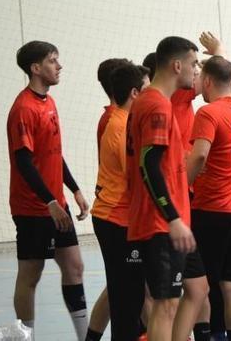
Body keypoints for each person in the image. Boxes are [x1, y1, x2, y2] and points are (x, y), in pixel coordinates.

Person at [7, 40, 90, 341]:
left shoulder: (49, 103)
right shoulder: (23, 109)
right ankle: (25, 337)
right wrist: (49, 201)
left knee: (75, 266)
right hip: (33, 208)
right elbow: (24, 162)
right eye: (53, 60)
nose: (59, 66)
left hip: (57, 204)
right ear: (36, 68)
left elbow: (53, 152)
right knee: (31, 274)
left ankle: (85, 337)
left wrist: (75, 189)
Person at [125, 36, 200, 341]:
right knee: (166, 305)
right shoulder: (156, 105)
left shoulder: (152, 102)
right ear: (177, 64)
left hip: (162, 221)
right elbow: (148, 164)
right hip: (160, 224)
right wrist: (172, 218)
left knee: (176, 299)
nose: (197, 71)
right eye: (194, 64)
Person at [187, 56, 231, 341]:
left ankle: (210, 335)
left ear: (209, 81)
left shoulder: (208, 112)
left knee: (203, 283)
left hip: (211, 207)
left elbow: (200, 153)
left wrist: (183, 185)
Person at [89, 63, 150, 340]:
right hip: (116, 218)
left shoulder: (123, 120)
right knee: (127, 297)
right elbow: (137, 176)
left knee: (128, 293)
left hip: (118, 216)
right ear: (135, 93)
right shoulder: (120, 125)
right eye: (147, 90)